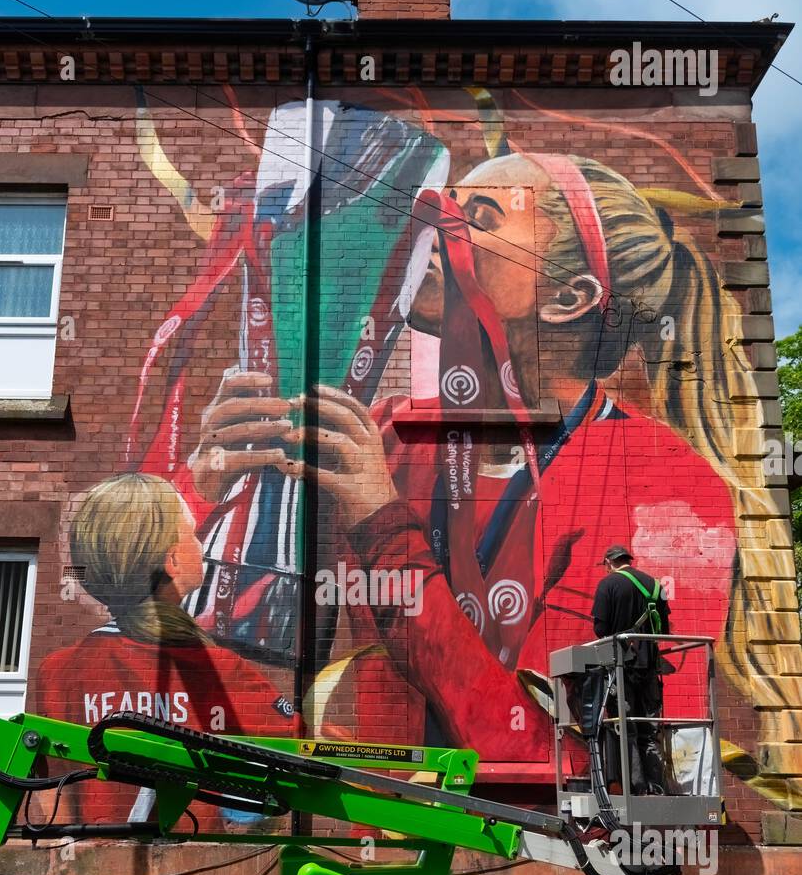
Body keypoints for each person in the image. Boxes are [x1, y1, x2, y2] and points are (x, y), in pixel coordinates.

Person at [185, 150, 742, 772]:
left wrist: (383, 525)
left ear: (567, 296)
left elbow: (547, 755)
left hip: (529, 858)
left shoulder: (669, 487)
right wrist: (218, 495)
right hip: (377, 835)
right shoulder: (384, 435)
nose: (434, 222)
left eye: (479, 214)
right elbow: (247, 631)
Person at [36, 473, 299, 827]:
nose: (202, 545)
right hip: (192, 871)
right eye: (192, 533)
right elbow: (301, 746)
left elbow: (50, 789)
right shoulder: (216, 669)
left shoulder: (57, 671)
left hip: (92, 863)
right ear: (172, 562)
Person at [592, 543, 671, 794]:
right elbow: (665, 631)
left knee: (627, 727)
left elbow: (601, 629)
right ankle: (656, 786)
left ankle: (637, 788)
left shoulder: (608, 585)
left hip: (621, 665)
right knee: (649, 728)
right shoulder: (655, 586)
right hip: (649, 665)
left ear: (608, 562)